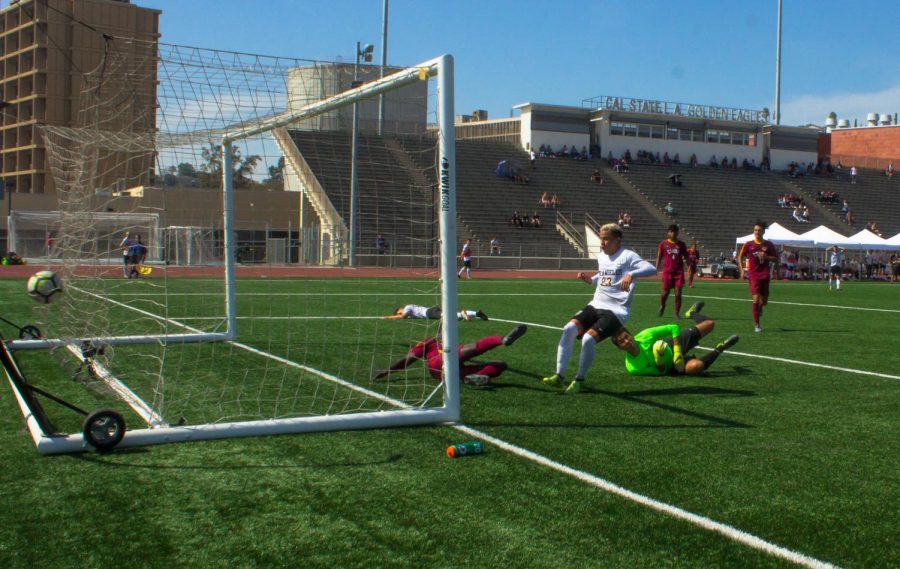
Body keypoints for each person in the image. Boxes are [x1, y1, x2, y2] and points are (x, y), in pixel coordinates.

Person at [542, 223, 657, 393]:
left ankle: (579, 380)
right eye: (601, 239)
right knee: (568, 329)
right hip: (596, 303)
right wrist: (592, 280)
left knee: (588, 339)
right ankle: (559, 376)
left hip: (616, 311)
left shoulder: (628, 256)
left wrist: (631, 273)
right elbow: (605, 274)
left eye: (605, 239)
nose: (601, 243)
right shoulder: (602, 256)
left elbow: (652, 268)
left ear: (617, 240)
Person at [613, 301, 740, 376]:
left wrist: (677, 352)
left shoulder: (645, 335)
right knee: (697, 366)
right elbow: (662, 372)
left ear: (631, 335)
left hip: (671, 345)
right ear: (619, 348)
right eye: (622, 342)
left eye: (626, 337)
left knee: (709, 324)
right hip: (672, 368)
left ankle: (692, 313)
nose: (627, 341)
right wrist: (659, 359)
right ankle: (721, 348)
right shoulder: (633, 368)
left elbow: (673, 327)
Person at [373, 325, 527, 387]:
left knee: (501, 365)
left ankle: (470, 378)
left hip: (450, 373)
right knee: (469, 349)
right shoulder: (430, 342)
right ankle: (502, 340)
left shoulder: (451, 340)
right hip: (437, 364)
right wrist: (387, 370)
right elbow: (408, 360)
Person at [738, 221, 779, 333]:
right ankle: (757, 325)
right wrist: (742, 270)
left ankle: (761, 307)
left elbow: (775, 259)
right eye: (755, 230)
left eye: (759, 230)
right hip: (753, 275)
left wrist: (766, 257)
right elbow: (740, 256)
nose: (757, 232)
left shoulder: (768, 245)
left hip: (765, 275)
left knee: (764, 301)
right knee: (755, 299)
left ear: (763, 232)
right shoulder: (749, 244)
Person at [656, 224, 689, 318]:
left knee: (678, 293)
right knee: (664, 293)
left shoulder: (681, 244)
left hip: (678, 272)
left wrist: (689, 265)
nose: (673, 233)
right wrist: (656, 268)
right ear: (668, 232)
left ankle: (676, 313)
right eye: (671, 231)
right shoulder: (663, 244)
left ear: (678, 232)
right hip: (667, 272)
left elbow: (686, 256)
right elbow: (659, 256)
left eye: (675, 231)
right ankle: (662, 305)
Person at [384, 304, 488, 322]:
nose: (400, 314)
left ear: (400, 309)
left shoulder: (407, 308)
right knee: (451, 316)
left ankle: (461, 313)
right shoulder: (410, 310)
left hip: (429, 313)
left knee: (449, 317)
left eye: (399, 312)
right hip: (431, 310)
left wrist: (389, 317)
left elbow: (403, 316)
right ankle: (476, 313)